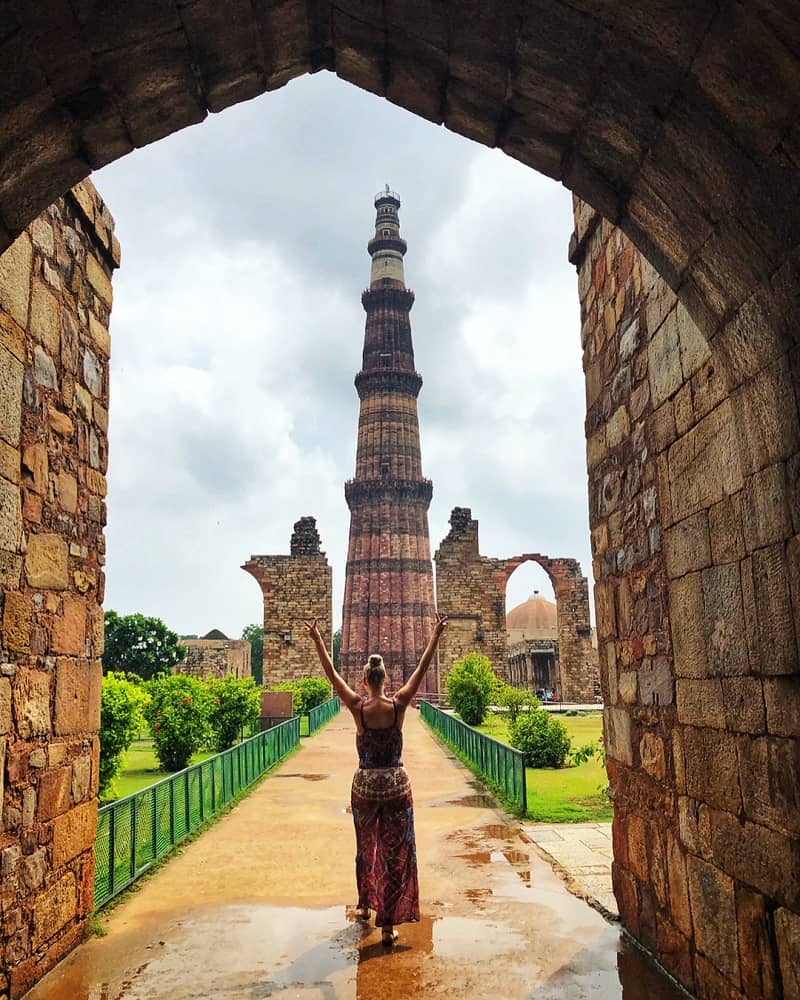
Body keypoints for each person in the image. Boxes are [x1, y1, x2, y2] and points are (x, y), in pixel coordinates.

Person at [303, 614, 448, 946]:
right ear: (386, 679)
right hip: (397, 789)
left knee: (367, 849)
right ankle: (387, 926)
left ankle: (366, 905)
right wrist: (435, 637)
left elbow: (331, 674)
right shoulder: (399, 706)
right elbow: (422, 670)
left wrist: (318, 641)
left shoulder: (357, 708)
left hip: (365, 790)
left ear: (365, 680)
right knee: (397, 853)